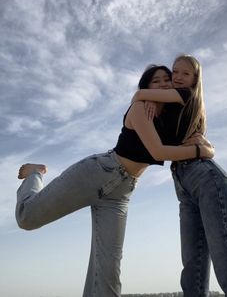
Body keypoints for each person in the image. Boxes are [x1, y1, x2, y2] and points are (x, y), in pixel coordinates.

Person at [15, 65, 213, 297]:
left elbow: (187, 141)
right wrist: (202, 151)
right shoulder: (139, 108)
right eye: (156, 81)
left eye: (167, 80)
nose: (163, 84)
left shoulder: (171, 121)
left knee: (108, 275)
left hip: (121, 194)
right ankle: (35, 173)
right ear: (147, 87)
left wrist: (202, 144)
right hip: (99, 172)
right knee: (27, 218)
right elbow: (159, 152)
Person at [132, 55, 227, 297]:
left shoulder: (186, 95)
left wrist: (145, 95)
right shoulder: (170, 105)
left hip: (205, 177)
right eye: (175, 72)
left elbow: (138, 95)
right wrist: (153, 102)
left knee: (226, 257)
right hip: (182, 180)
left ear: (195, 80)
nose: (177, 77)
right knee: (193, 265)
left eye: (185, 74)